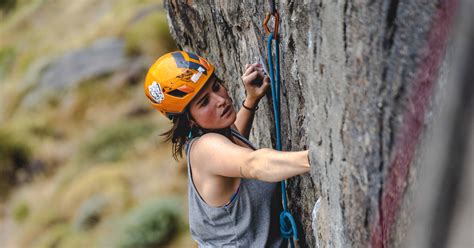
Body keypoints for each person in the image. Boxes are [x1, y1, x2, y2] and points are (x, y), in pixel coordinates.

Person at [144, 51, 310, 247]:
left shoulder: (219, 132)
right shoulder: (205, 149)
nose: (220, 100)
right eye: (204, 102)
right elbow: (253, 164)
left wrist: (251, 101)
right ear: (188, 120)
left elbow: (234, 142)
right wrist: (314, 159)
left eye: (216, 87)